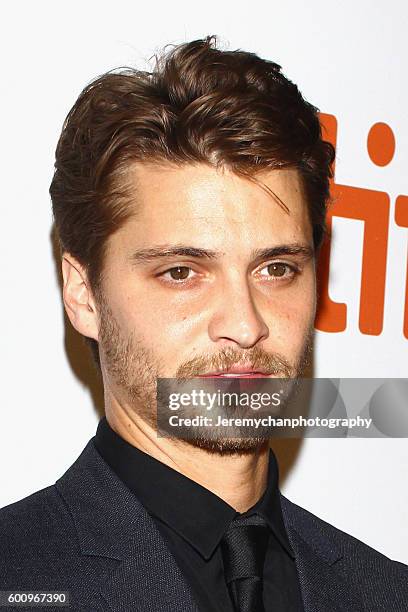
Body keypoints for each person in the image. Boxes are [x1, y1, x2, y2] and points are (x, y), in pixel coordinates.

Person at [0, 36, 406, 612]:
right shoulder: (17, 576)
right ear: (84, 293)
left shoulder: (385, 592)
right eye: (183, 272)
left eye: (277, 267)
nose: (244, 324)